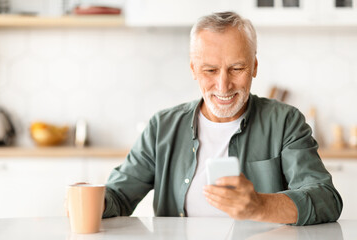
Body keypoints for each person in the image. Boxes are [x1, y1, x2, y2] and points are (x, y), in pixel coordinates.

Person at [102, 11, 342, 225]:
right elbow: (118, 196)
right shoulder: (162, 127)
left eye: (237, 69)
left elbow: (326, 198)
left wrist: (260, 205)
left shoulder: (285, 122)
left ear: (254, 67)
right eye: (210, 70)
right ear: (193, 69)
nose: (223, 85)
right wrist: (92, 202)